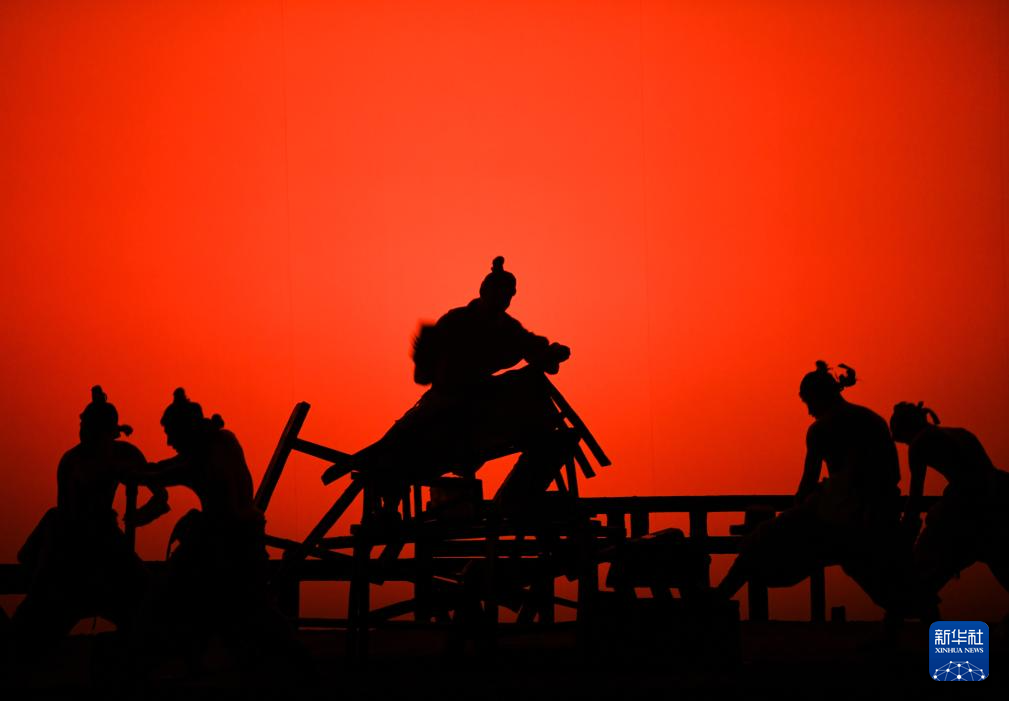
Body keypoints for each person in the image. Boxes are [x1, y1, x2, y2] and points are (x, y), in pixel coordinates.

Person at [326, 256, 573, 515]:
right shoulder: (456, 320)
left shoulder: (508, 328)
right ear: (484, 291)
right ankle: (387, 501)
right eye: (499, 293)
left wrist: (552, 352)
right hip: (444, 396)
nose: (504, 300)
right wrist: (424, 353)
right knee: (400, 442)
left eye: (509, 295)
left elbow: (534, 349)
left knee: (521, 397)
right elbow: (424, 371)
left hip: (481, 398)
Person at [137, 388, 310, 681]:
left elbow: (163, 474)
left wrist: (126, 471)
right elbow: (168, 467)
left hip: (230, 548)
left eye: (171, 434)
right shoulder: (223, 441)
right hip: (243, 540)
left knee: (181, 596)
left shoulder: (203, 460)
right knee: (255, 615)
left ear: (185, 430)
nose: (169, 442)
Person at [716, 361, 907, 617]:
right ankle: (911, 626)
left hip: (840, 515)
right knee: (882, 580)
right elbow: (894, 473)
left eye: (808, 403)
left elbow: (808, 480)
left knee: (759, 541)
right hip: (882, 510)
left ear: (817, 397)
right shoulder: (873, 419)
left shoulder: (821, 429)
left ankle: (716, 600)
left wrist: (797, 511)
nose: (809, 411)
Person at [10, 386, 168, 660]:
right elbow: (65, 508)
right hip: (71, 538)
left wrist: (138, 517)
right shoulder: (72, 460)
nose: (83, 430)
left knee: (151, 604)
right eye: (82, 424)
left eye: (89, 426)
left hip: (106, 537)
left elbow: (160, 497)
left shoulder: (122, 454)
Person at [890, 401, 1009, 604]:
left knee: (925, 563)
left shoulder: (919, 444)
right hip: (999, 494)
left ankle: (907, 611)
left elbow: (915, 496)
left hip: (970, 504)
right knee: (997, 556)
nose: (908, 445)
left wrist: (906, 531)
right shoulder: (961, 433)